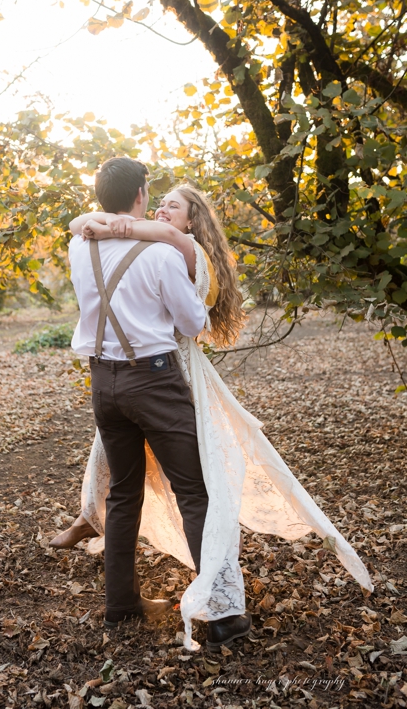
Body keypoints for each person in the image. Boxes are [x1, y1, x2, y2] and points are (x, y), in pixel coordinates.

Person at [51, 173, 370, 649]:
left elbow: (86, 232)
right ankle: (222, 616)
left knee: (122, 493)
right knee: (194, 492)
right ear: (140, 195)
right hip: (154, 381)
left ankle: (120, 605)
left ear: (102, 198)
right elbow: (192, 321)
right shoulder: (161, 254)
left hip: (103, 383)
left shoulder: (81, 247)